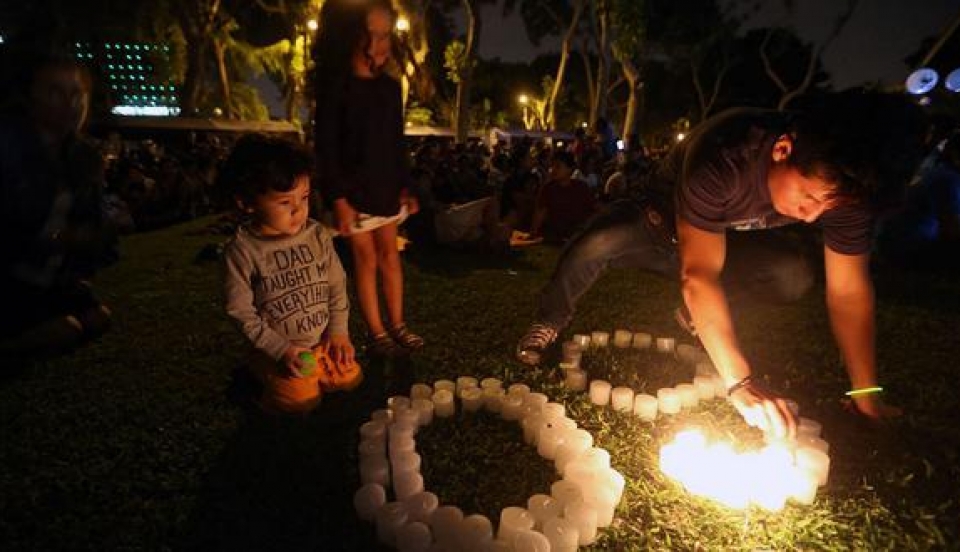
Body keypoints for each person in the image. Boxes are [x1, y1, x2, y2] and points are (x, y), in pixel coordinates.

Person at [516, 90, 926, 438]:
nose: (813, 215)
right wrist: (741, 383)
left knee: (792, 273)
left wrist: (865, 393)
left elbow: (849, 291)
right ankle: (549, 320)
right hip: (653, 224)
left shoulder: (845, 187)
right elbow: (699, 274)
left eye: (827, 206)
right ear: (783, 149)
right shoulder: (728, 153)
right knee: (593, 243)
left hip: (719, 243)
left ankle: (695, 315)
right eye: (808, 197)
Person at [313, 0, 423, 359]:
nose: (379, 43)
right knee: (366, 260)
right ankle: (377, 331)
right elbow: (327, 148)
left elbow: (396, 143)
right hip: (354, 192)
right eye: (371, 33)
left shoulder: (389, 88)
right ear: (349, 35)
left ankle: (399, 324)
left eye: (385, 34)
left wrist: (406, 186)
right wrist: (339, 199)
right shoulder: (335, 89)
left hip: (386, 187)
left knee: (390, 255)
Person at [221, 134, 361, 415]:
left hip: (319, 344)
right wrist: (280, 350)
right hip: (278, 350)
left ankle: (311, 372)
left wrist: (338, 334)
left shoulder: (317, 235)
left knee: (350, 378)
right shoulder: (243, 251)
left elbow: (336, 286)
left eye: (305, 197)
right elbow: (241, 312)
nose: (299, 209)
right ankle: (258, 372)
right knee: (300, 403)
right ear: (247, 202)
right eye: (285, 202)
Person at [0, 51, 115, 360]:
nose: (69, 103)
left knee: (98, 317)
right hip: (12, 276)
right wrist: (54, 240)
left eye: (77, 94)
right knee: (67, 330)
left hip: (50, 280)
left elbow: (99, 234)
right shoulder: (10, 144)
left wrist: (85, 240)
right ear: (31, 96)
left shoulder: (83, 157)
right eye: (55, 92)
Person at [878, 130, 960, 270]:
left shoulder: (943, 173)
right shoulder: (947, 179)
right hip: (909, 249)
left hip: (896, 245)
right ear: (954, 153)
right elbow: (950, 229)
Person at [530, 151, 598, 244]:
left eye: (558, 166)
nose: (553, 170)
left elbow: (592, 210)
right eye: (552, 166)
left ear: (570, 169)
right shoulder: (549, 188)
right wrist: (533, 234)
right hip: (555, 237)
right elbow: (540, 213)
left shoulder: (581, 187)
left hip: (577, 236)